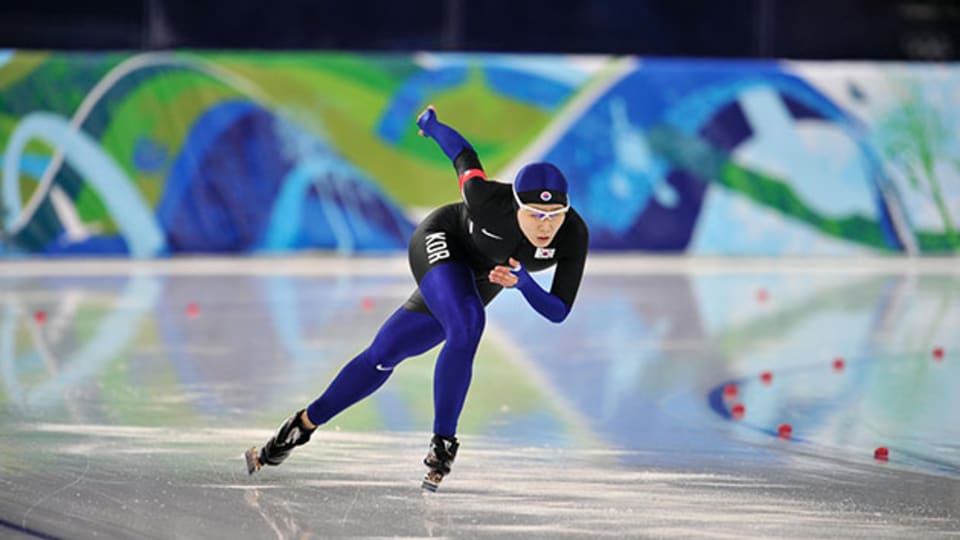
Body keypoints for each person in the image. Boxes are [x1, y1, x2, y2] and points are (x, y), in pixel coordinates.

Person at [245, 106, 589, 490]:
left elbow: (558, 311)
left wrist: (524, 283)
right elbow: (463, 156)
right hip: (443, 241)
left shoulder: (573, 235)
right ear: (516, 206)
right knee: (467, 324)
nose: (546, 225)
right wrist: (433, 126)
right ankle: (444, 442)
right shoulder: (486, 201)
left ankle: (299, 426)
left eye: (555, 214)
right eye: (535, 215)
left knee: (384, 354)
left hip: (490, 274)